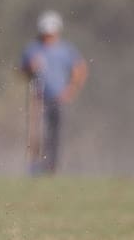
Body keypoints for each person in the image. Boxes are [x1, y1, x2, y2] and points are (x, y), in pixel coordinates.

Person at [20, 10, 88, 175]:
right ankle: (35, 166)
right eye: (46, 34)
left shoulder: (65, 50)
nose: (48, 37)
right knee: (37, 134)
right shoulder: (32, 49)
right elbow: (22, 71)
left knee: (54, 135)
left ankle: (51, 167)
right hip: (38, 99)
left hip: (58, 99)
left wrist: (71, 89)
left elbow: (80, 69)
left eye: (51, 34)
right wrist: (30, 68)